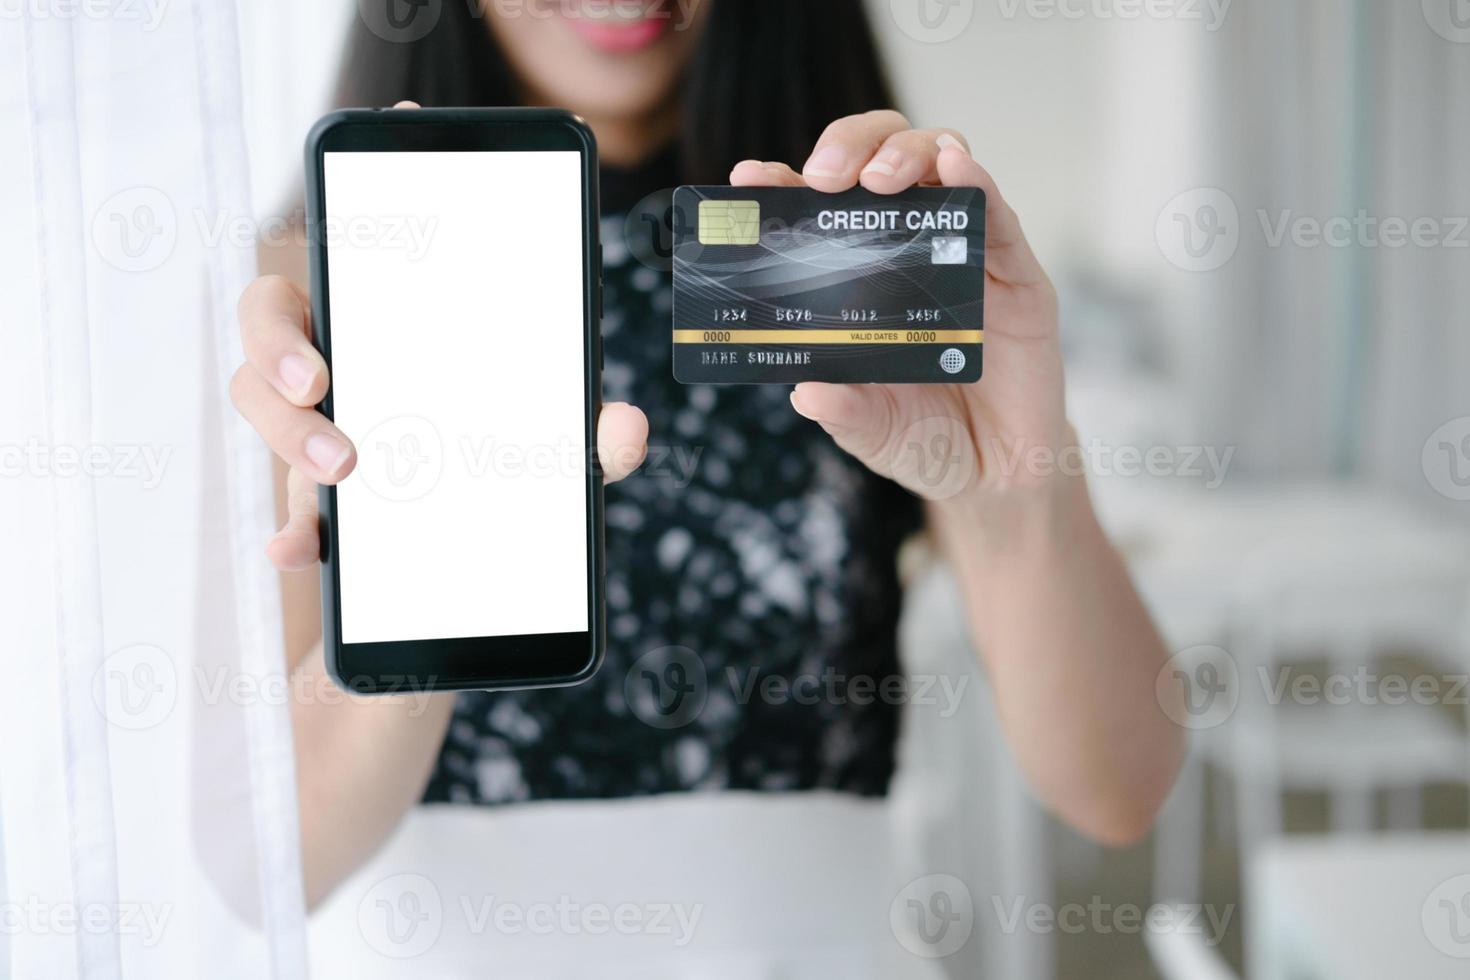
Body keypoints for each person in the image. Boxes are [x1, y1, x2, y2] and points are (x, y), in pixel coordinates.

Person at [231, 0, 1182, 968]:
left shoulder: (845, 250)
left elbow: (1121, 787)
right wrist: (428, 536)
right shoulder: (310, 283)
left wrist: (1019, 489)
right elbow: (266, 863)